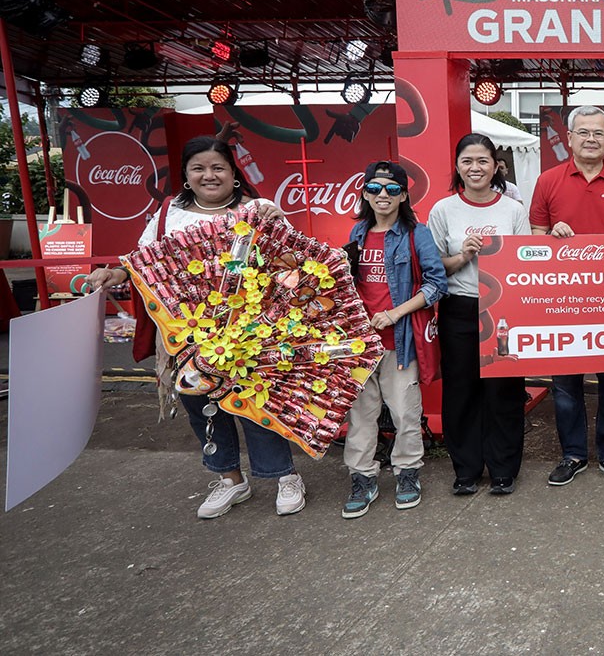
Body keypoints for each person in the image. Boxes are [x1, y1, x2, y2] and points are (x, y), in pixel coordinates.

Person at [85, 136, 303, 519]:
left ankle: (284, 475)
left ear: (234, 173)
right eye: (198, 168)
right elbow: (141, 264)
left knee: (256, 403)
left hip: (248, 333)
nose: (209, 175)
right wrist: (114, 273)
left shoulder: (259, 209)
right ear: (186, 175)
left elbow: (289, 263)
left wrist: (276, 230)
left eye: (218, 167)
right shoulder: (169, 214)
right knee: (201, 406)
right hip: (185, 335)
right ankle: (230, 479)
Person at [530, 106, 604, 487]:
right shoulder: (548, 180)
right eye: (583, 133)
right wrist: (550, 236)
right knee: (565, 387)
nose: (591, 139)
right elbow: (534, 239)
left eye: (599, 133)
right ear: (569, 138)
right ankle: (574, 454)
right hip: (564, 304)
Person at [340, 161, 447, 518]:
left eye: (390, 189)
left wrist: (395, 313)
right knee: (361, 416)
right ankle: (363, 477)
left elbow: (436, 285)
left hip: (399, 342)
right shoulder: (356, 233)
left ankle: (407, 473)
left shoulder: (417, 234)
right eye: (374, 188)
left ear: (403, 195)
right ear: (365, 194)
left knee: (405, 412)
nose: (382, 195)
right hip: (359, 345)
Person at [429, 134, 531, 496]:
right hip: (460, 307)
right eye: (468, 161)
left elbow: (525, 263)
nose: (475, 168)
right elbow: (433, 267)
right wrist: (462, 257)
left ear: (495, 167)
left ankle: (504, 469)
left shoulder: (513, 210)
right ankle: (466, 469)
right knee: (461, 390)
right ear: (457, 166)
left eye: (483, 161)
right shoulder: (443, 210)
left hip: (503, 309)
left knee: (504, 389)